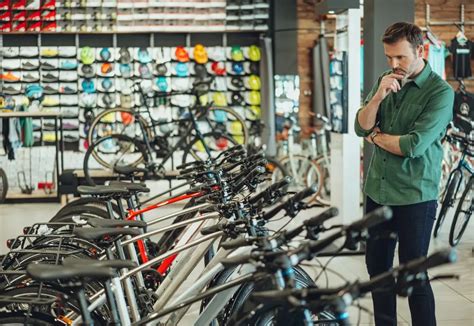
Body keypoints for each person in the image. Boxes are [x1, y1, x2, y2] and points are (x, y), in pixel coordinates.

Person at [355, 22, 454, 326]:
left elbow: (413, 145)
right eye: (389, 57)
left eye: (400, 57)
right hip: (378, 192)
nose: (394, 65)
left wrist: (376, 138)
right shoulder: (386, 80)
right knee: (379, 271)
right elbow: (361, 125)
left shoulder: (440, 93)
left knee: (413, 276)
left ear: (420, 50)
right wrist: (377, 99)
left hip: (414, 196)